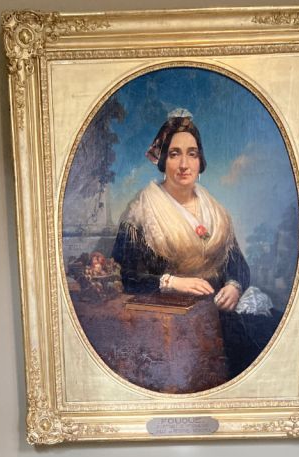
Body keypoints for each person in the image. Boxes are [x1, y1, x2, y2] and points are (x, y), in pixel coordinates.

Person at [112, 110, 275, 378]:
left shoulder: (215, 211)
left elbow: (237, 264)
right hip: (174, 321)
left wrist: (234, 286)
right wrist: (172, 282)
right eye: (174, 154)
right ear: (162, 160)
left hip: (220, 312)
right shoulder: (141, 212)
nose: (184, 164)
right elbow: (124, 278)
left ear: (201, 161)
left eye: (192, 154)